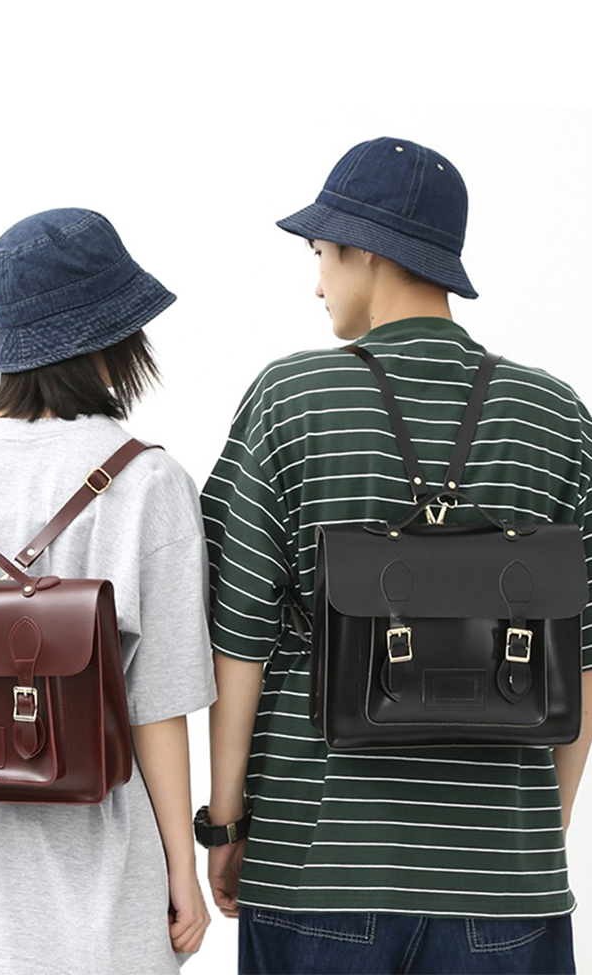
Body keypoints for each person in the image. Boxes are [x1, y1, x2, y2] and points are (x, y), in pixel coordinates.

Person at [200, 138, 592, 974]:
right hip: (507, 883)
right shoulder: (556, 415)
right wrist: (531, 841)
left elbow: (237, 637)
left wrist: (226, 824)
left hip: (315, 866)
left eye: (319, 254)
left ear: (367, 251)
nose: (317, 284)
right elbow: (585, 655)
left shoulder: (290, 398)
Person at [0, 208, 216, 975]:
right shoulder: (150, 481)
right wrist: (182, 869)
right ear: (113, 335)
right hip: (97, 891)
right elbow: (158, 704)